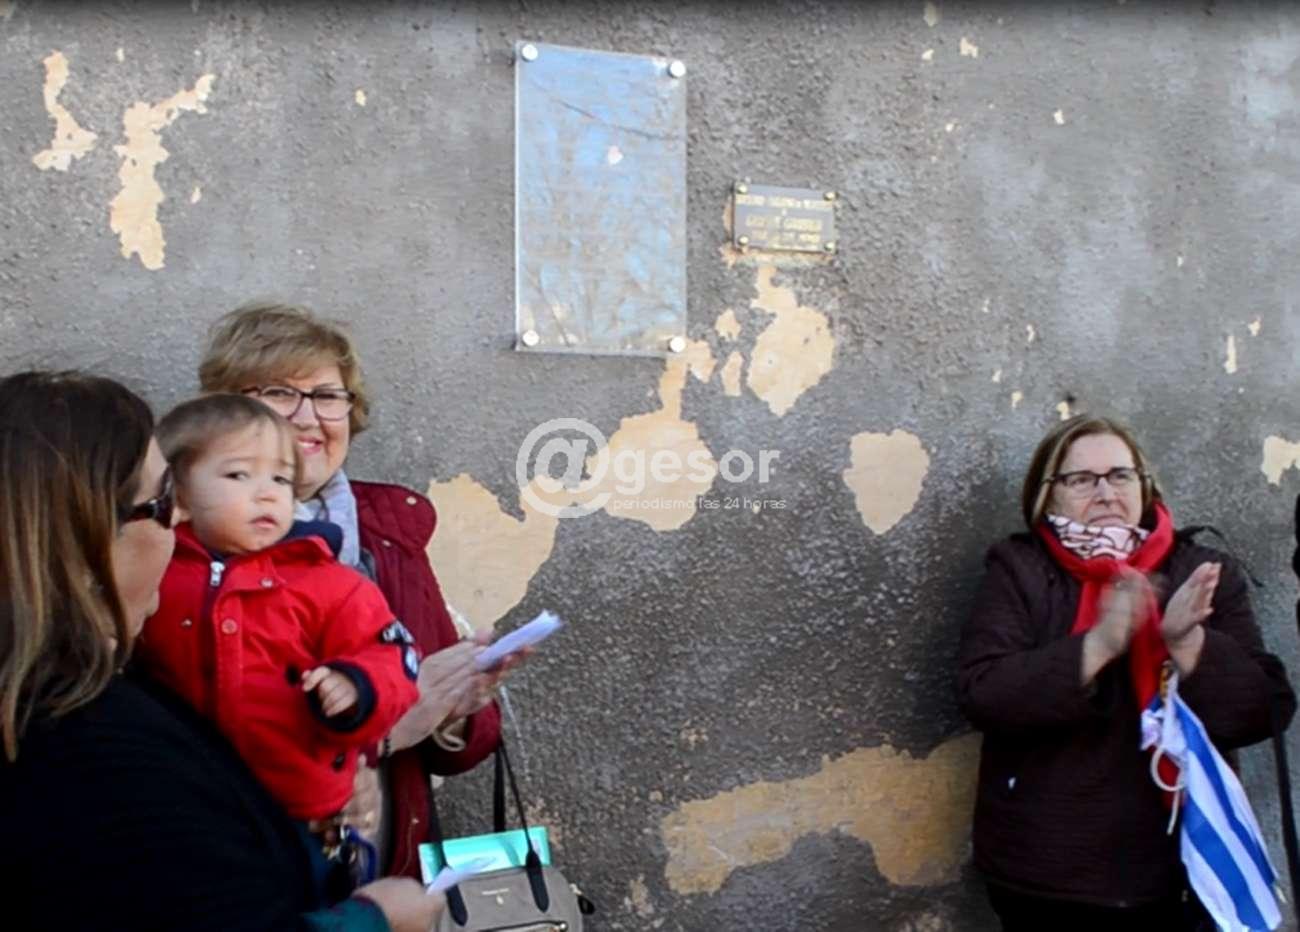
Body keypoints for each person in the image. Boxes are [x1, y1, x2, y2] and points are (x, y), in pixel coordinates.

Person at [0, 370, 442, 931]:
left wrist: (348, 731)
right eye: (163, 501)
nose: (178, 519)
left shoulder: (325, 578)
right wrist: (377, 921)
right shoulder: (94, 748)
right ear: (87, 541)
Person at [198, 302, 525, 879]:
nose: (308, 418)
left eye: (327, 396)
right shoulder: (189, 547)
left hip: (386, 873)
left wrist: (455, 710)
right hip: (252, 876)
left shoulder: (389, 535)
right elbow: (201, 752)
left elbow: (455, 752)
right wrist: (388, 728)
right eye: (279, 393)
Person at [958, 414, 1295, 930]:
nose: (1106, 493)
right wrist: (1099, 645)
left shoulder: (1200, 571)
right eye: (1080, 479)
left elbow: (1259, 712)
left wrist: (1187, 642)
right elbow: (983, 694)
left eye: (1120, 475)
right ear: (1047, 497)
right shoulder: (1019, 570)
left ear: (1144, 485)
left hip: (1182, 866)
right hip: (1050, 874)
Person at [137, 394, 422, 891]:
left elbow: (395, 657)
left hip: (299, 814)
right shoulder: (152, 570)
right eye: (238, 475)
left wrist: (357, 686)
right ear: (176, 492)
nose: (267, 494)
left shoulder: (328, 582)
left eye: (281, 479)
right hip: (178, 806)